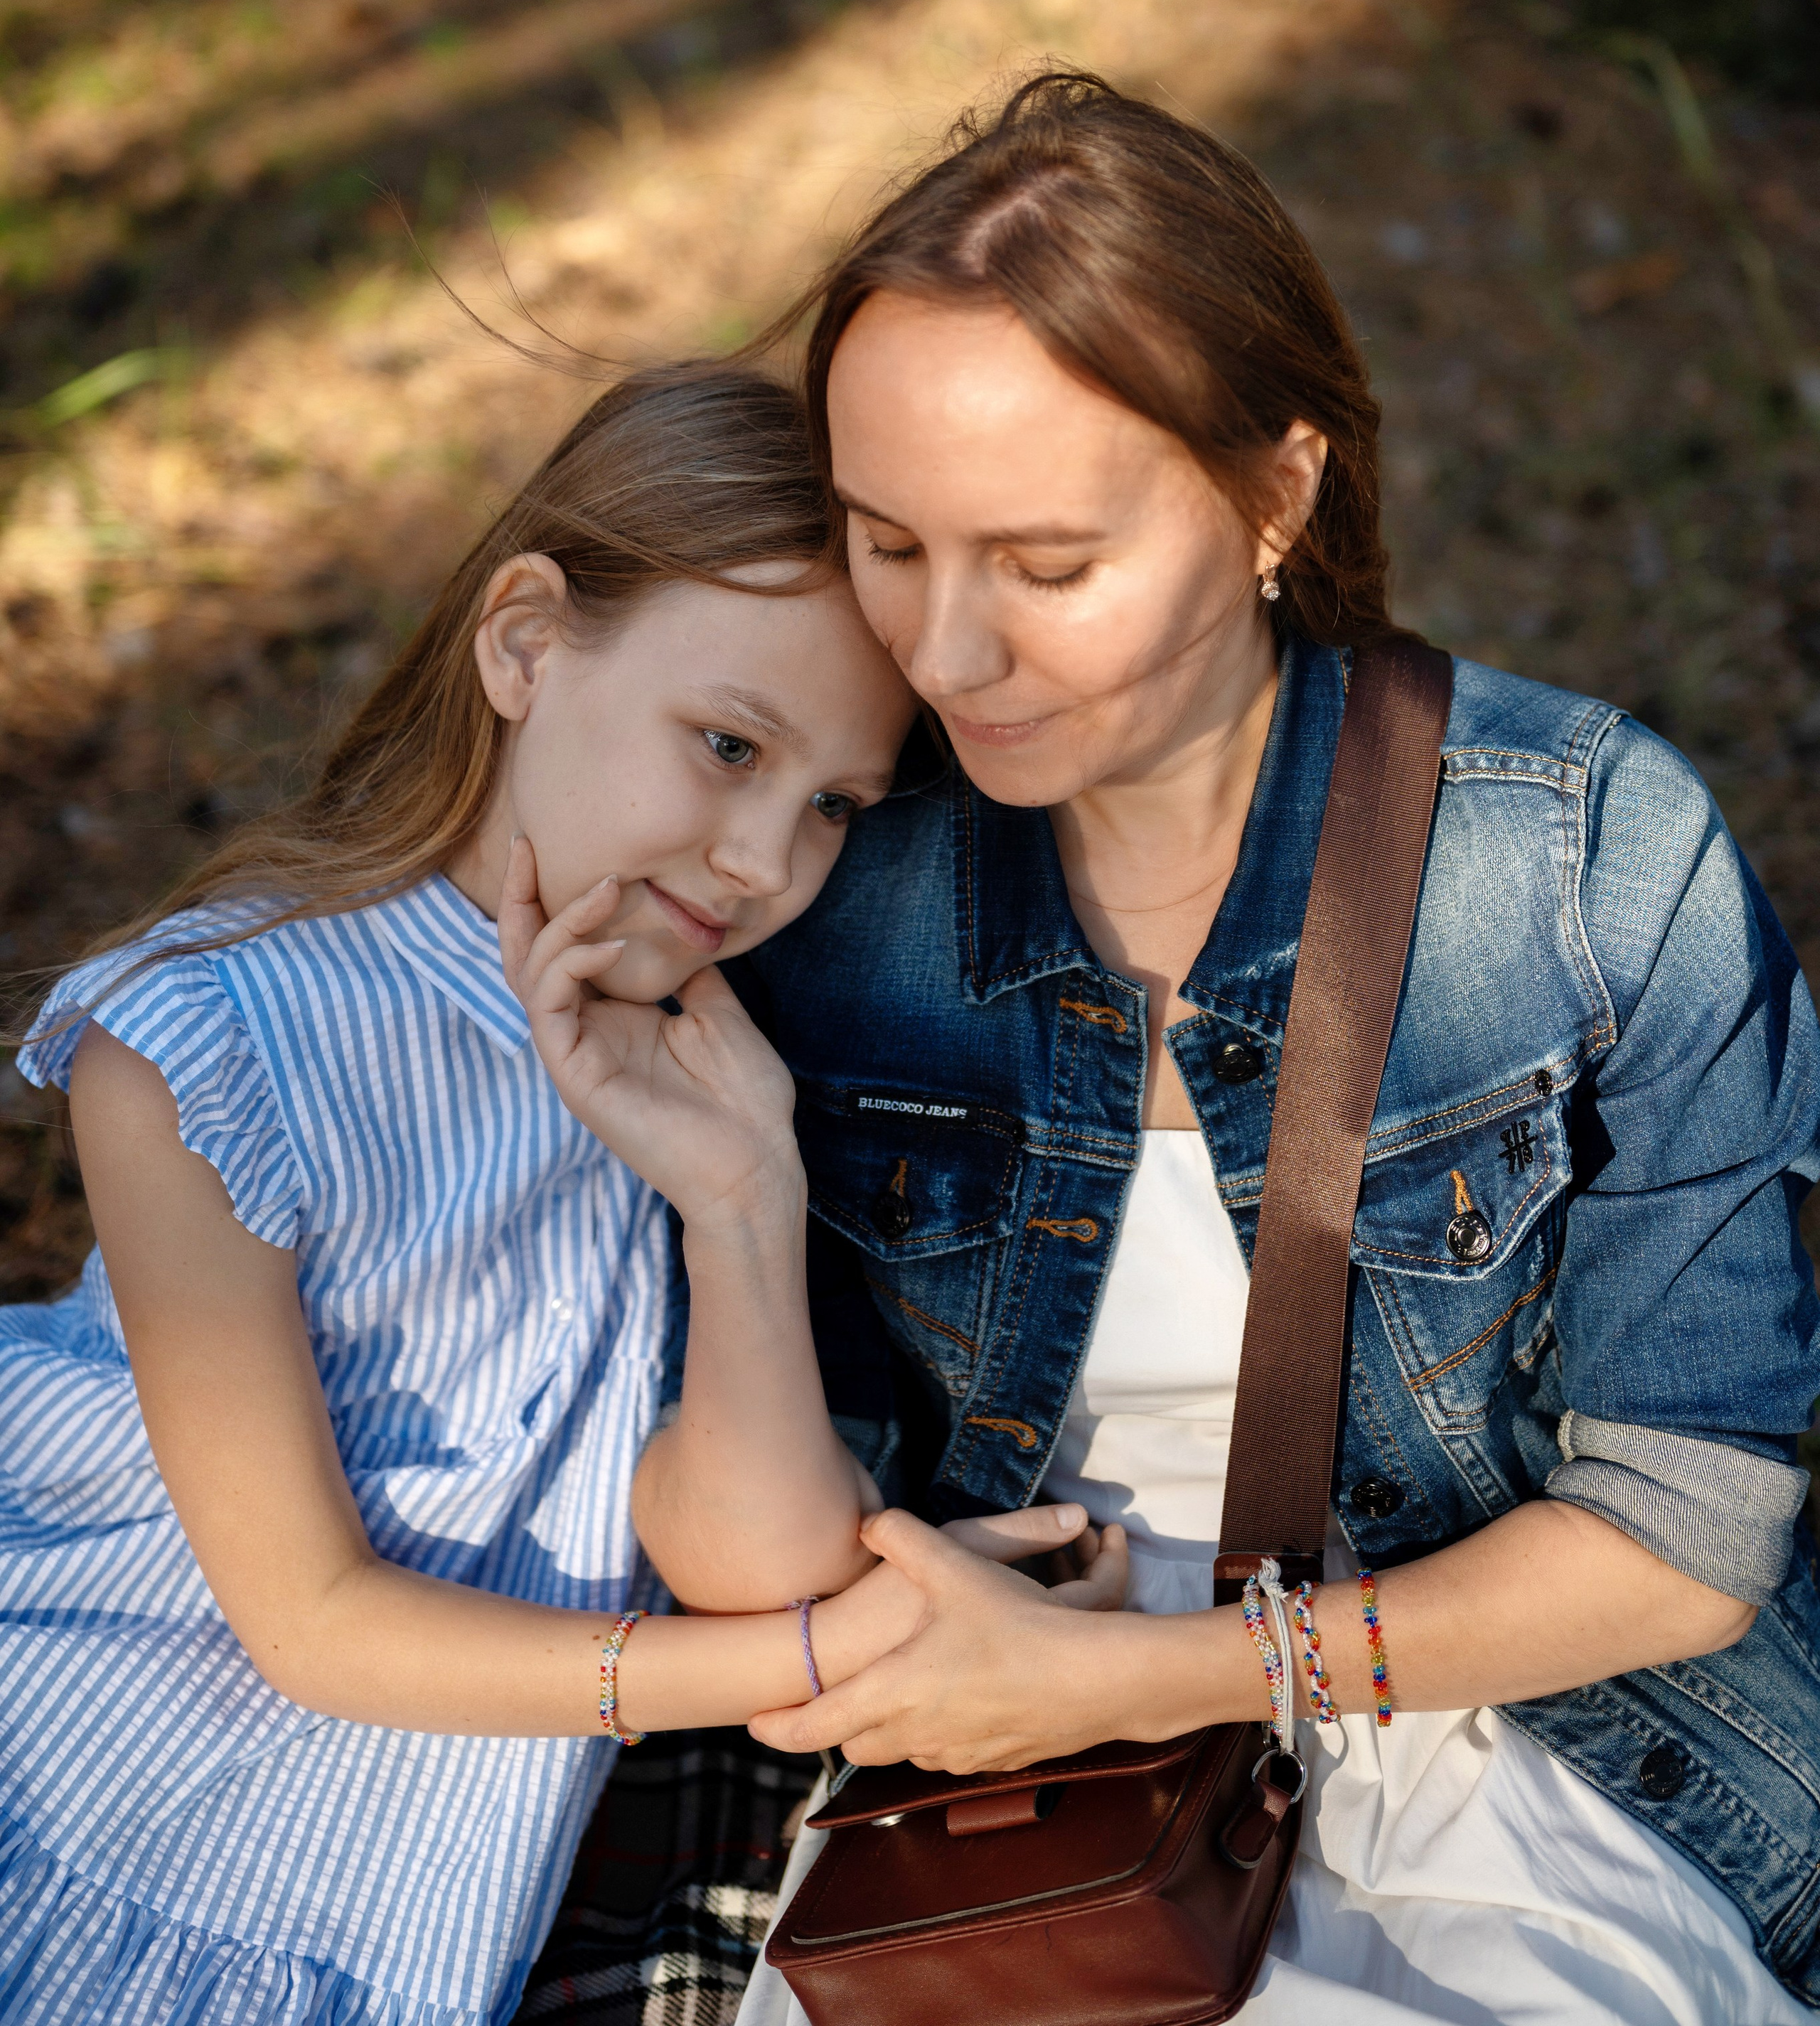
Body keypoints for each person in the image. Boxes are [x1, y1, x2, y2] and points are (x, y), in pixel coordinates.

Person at [591, 79, 1820, 2024]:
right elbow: (764, 1533)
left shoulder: (1585, 859)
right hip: (995, 1784)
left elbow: (1688, 1535)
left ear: (1277, 493)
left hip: (1526, 1746)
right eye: (886, 543)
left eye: (1047, 565)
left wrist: (1147, 1674)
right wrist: (738, 1209)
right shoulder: (827, 887)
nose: (947, 654)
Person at [0, 360, 1106, 2026]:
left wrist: (738, 1207)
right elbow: (310, 1623)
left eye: (827, 806)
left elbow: (762, 1554)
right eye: (727, 743)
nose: (760, 859)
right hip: (111, 1811)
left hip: (419, 1893)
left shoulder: (712, 1056)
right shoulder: (211, 1036)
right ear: (523, 638)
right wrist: (825, 1662)